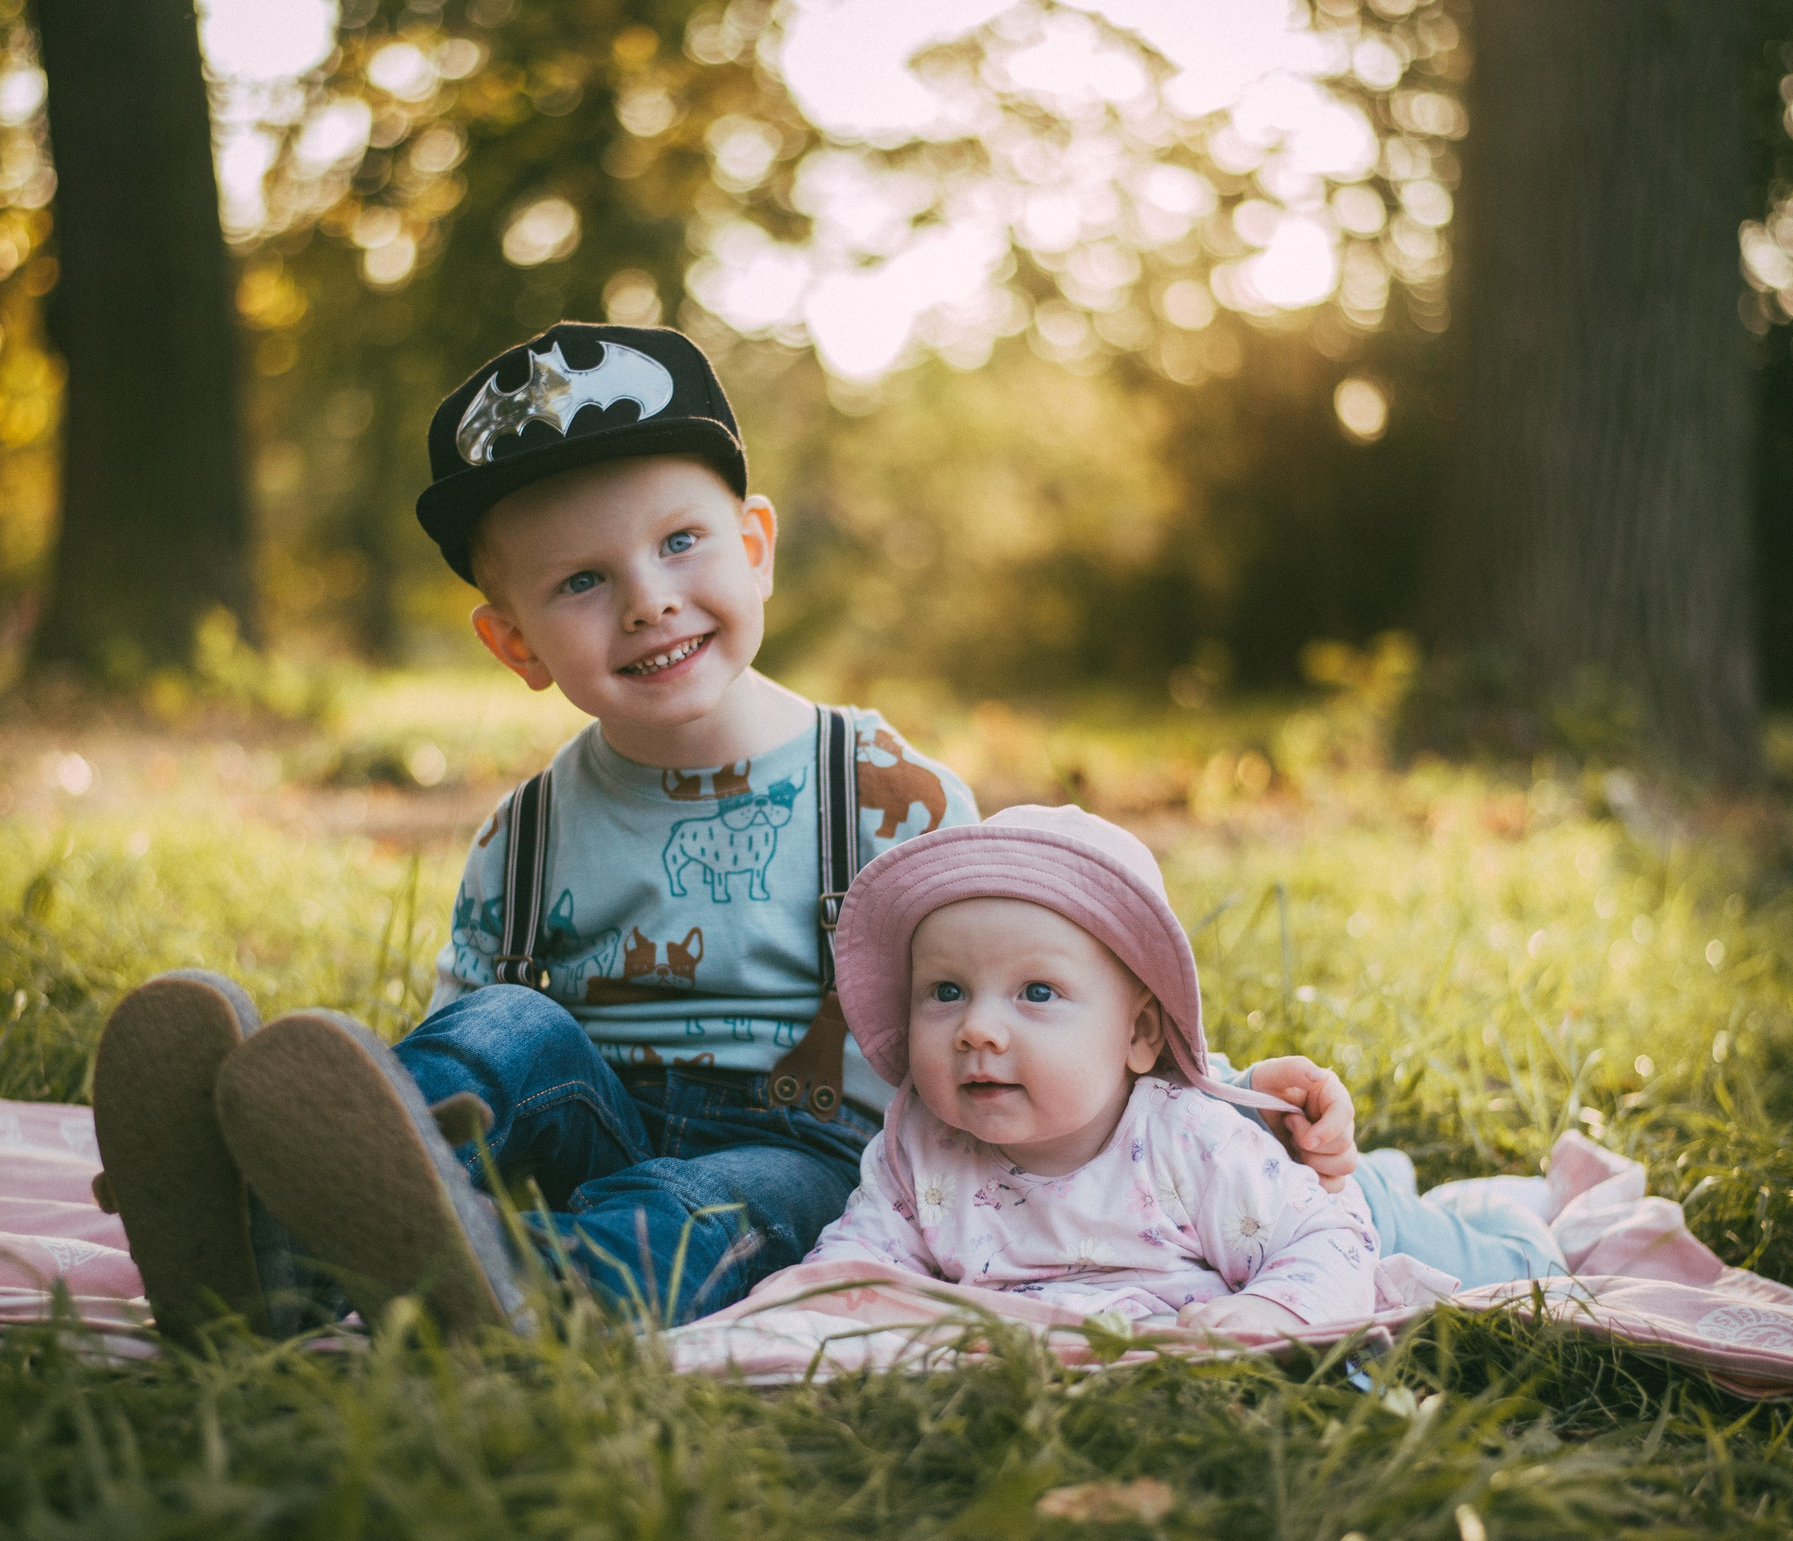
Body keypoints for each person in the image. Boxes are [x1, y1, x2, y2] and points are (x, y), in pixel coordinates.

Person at [88, 324, 1367, 1344]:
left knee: (695, 1206)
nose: (647, 601)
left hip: (808, 1150)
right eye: (581, 581)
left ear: (754, 551)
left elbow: (1043, 981)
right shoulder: (523, 832)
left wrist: (1233, 1094)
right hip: (594, 1120)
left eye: (680, 542)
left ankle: (517, 1296)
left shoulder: (878, 788)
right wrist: (381, 1113)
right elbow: (476, 1050)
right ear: (517, 643)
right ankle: (263, 1221)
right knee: (504, 1031)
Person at [795, 803, 1564, 1335]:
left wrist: (1271, 1311)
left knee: (1508, 1275)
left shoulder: (1187, 1140)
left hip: (1308, 1197)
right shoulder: (920, 1144)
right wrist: (802, 1316)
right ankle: (1401, 1174)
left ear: (1139, 1036)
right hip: (1257, 1193)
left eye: (1036, 991)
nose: (977, 1028)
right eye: (946, 991)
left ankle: (1510, 1217)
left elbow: (1330, 1243)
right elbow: (858, 1260)